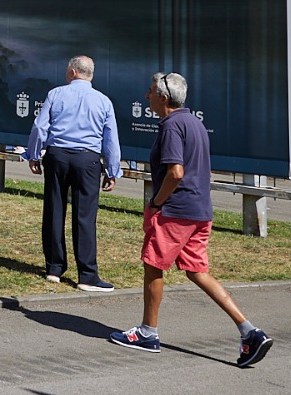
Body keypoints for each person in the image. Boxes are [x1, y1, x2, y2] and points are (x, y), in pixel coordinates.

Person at [110, 72, 273, 367]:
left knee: (153, 266)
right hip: (200, 211)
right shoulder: (195, 123)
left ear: (163, 98)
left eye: (150, 91)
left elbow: (176, 173)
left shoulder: (171, 125)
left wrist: (156, 203)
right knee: (197, 272)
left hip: (176, 211)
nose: (146, 96)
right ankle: (250, 331)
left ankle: (147, 333)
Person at [27, 55, 121, 291]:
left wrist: (33, 154)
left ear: (73, 72)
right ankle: (87, 275)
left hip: (57, 156)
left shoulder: (55, 94)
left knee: (54, 210)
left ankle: (54, 268)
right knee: (85, 216)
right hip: (87, 159)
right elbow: (111, 139)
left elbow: (40, 127)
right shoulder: (103, 101)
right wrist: (112, 170)